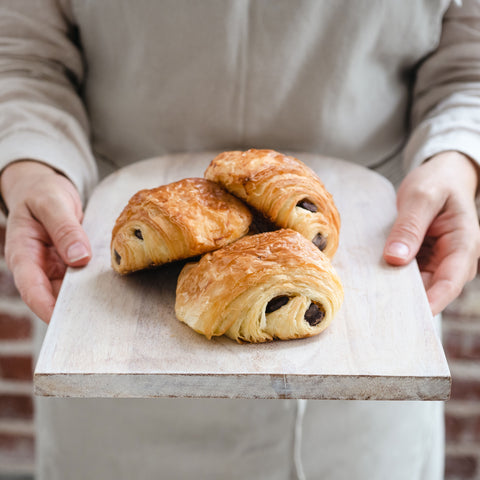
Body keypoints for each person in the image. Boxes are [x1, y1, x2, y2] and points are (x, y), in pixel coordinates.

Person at [0, 1, 479, 479]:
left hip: (362, 371)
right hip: (117, 367)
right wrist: (34, 165)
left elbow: (468, 68)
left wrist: (457, 160)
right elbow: (23, 59)